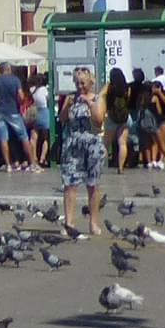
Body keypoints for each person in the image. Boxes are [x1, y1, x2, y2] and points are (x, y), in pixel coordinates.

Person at [57, 68, 108, 235]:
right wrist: (68, 105)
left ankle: (93, 223)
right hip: (72, 144)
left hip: (92, 144)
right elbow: (63, 119)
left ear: (90, 83)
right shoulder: (71, 98)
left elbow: (98, 121)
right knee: (70, 184)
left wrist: (89, 102)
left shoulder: (98, 98)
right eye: (77, 83)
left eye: (83, 83)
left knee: (93, 184)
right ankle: (69, 222)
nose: (79, 87)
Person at [103, 68, 131, 171]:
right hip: (125, 117)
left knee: (106, 143)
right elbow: (128, 100)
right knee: (122, 143)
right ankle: (121, 167)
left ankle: (100, 166)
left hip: (111, 116)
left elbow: (102, 96)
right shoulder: (127, 88)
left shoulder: (110, 87)